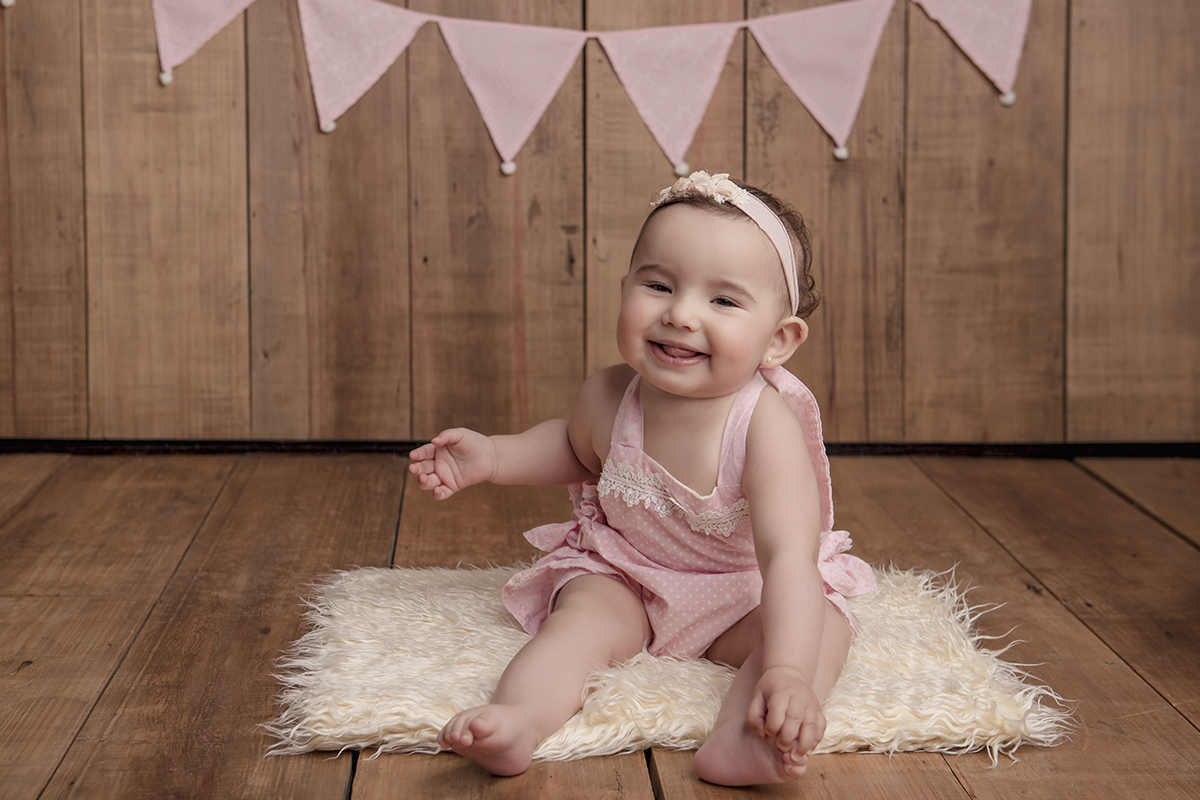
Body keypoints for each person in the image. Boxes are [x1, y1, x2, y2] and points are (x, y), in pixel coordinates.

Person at [408, 171, 876, 786]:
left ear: (779, 340)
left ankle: (745, 737)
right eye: (659, 286)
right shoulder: (608, 394)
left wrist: (786, 669)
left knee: (820, 626)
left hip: (741, 598)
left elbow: (789, 556)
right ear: (625, 288)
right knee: (580, 618)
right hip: (628, 577)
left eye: (724, 301)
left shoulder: (765, 428)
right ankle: (518, 718)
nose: (680, 314)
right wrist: (494, 457)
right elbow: (576, 450)